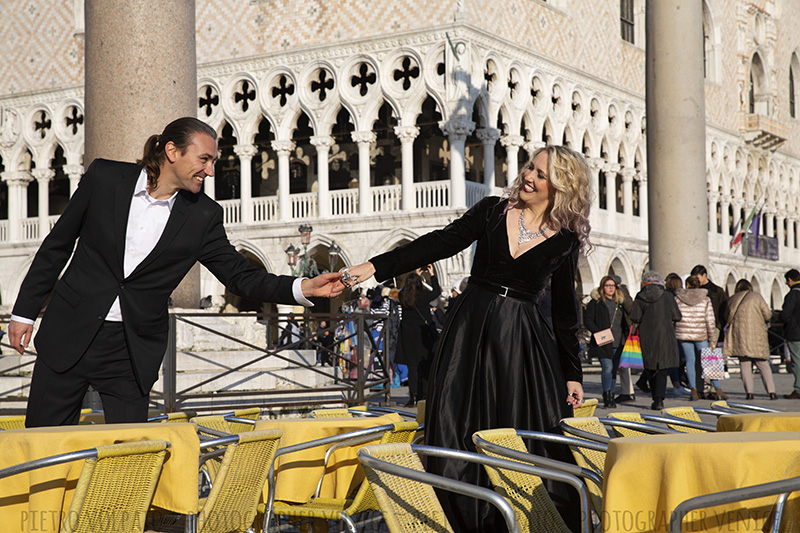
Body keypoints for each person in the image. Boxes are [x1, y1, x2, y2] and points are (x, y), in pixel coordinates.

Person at [8, 117, 343, 427]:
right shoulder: (105, 177)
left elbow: (241, 275)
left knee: (127, 458)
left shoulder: (203, 216)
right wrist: (24, 312)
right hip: (69, 330)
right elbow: (58, 244)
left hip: (129, 348)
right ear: (172, 151)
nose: (210, 171)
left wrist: (303, 288)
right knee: (42, 443)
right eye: (204, 160)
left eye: (212, 161)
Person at [344, 145, 590, 532]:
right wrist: (375, 266)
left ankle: (525, 518)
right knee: (457, 422)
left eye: (541, 175)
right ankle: (462, 518)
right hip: (469, 332)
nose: (528, 176)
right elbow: (438, 243)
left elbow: (564, 312)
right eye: (530, 167)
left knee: (522, 427)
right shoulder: (493, 211)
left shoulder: (565, 241)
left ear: (560, 187)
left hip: (522, 343)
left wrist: (572, 372)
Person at [630, 271, 682, 410]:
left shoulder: (640, 296)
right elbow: (677, 316)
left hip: (647, 335)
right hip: (665, 334)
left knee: (651, 365)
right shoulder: (667, 296)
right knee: (662, 367)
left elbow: (635, 316)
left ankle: (655, 397)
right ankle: (659, 399)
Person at [724, 279, 777, 400]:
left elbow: (727, 316)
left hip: (740, 336)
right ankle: (772, 392)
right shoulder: (757, 297)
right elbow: (767, 314)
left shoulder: (733, 299)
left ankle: (749, 393)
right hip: (757, 335)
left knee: (745, 364)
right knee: (763, 364)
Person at [395, 267, 441, 407]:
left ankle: (413, 396)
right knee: (425, 364)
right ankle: (425, 396)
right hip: (423, 334)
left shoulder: (403, 297)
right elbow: (437, 291)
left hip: (408, 335)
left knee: (412, 367)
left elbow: (404, 290)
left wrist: (415, 274)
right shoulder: (423, 295)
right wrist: (431, 275)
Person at [584, 276, 628, 408]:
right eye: (607, 285)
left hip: (618, 341)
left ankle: (612, 395)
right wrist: (598, 332)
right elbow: (588, 320)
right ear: (602, 287)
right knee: (607, 368)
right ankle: (607, 395)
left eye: (613, 285)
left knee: (614, 369)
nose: (610, 288)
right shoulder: (596, 302)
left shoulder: (619, 303)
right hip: (603, 341)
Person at [674, 275, 718, 401]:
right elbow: (710, 320)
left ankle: (693, 390)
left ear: (687, 285)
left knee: (690, 361)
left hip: (684, 334)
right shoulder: (705, 299)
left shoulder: (678, 298)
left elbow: (676, 316)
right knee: (708, 361)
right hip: (701, 335)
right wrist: (712, 339)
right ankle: (718, 388)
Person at [690, 264, 728, 343]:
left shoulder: (717, 291)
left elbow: (724, 309)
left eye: (697, 278)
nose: (696, 281)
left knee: (710, 353)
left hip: (713, 328)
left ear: (704, 275)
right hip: (697, 329)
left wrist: (719, 326)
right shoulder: (692, 291)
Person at [780, 269, 800, 399]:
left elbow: (785, 315)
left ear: (790, 280)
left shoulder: (793, 294)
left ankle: (798, 389)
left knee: (797, 361)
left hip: (795, 333)